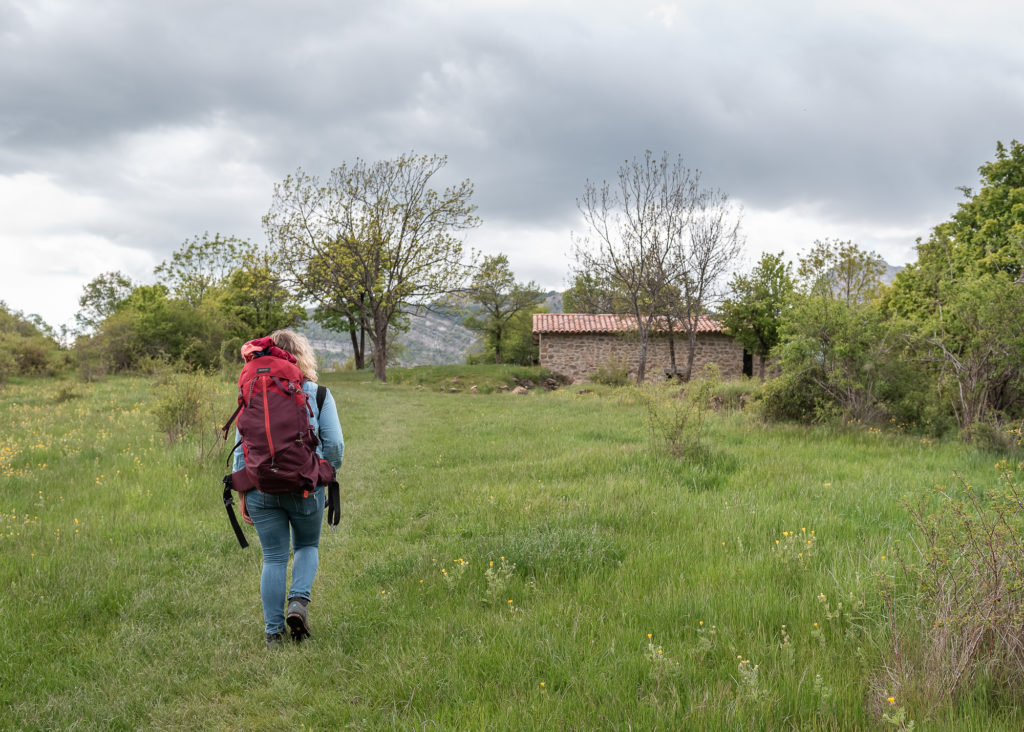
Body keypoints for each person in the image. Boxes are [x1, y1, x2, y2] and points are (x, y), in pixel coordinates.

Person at [232, 329, 344, 648]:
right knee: (307, 546)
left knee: (274, 557)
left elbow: (242, 447)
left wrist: (244, 492)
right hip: (305, 485)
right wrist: (325, 472)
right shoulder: (318, 393)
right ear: (301, 356)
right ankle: (298, 602)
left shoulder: (253, 390)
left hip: (260, 488)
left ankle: (273, 635)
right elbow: (334, 444)